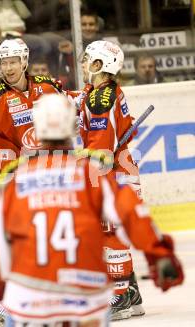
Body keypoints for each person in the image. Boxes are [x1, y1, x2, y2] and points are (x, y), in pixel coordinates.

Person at [0, 93, 184, 327]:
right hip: (86, 300)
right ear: (72, 128)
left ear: (37, 130)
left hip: (30, 301)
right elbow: (131, 214)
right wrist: (159, 254)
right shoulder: (91, 174)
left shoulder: (14, 180)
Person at [76, 40, 145, 320]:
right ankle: (132, 294)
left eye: (87, 60)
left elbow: (101, 148)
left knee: (110, 234)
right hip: (122, 171)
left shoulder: (100, 98)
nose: (83, 64)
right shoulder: (102, 92)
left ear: (100, 65)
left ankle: (120, 296)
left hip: (111, 174)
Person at [0, 38, 62, 177]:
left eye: (13, 62)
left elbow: (74, 105)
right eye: (4, 63)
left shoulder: (46, 87)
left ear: (24, 62)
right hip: (8, 172)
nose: (8, 68)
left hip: (42, 168)